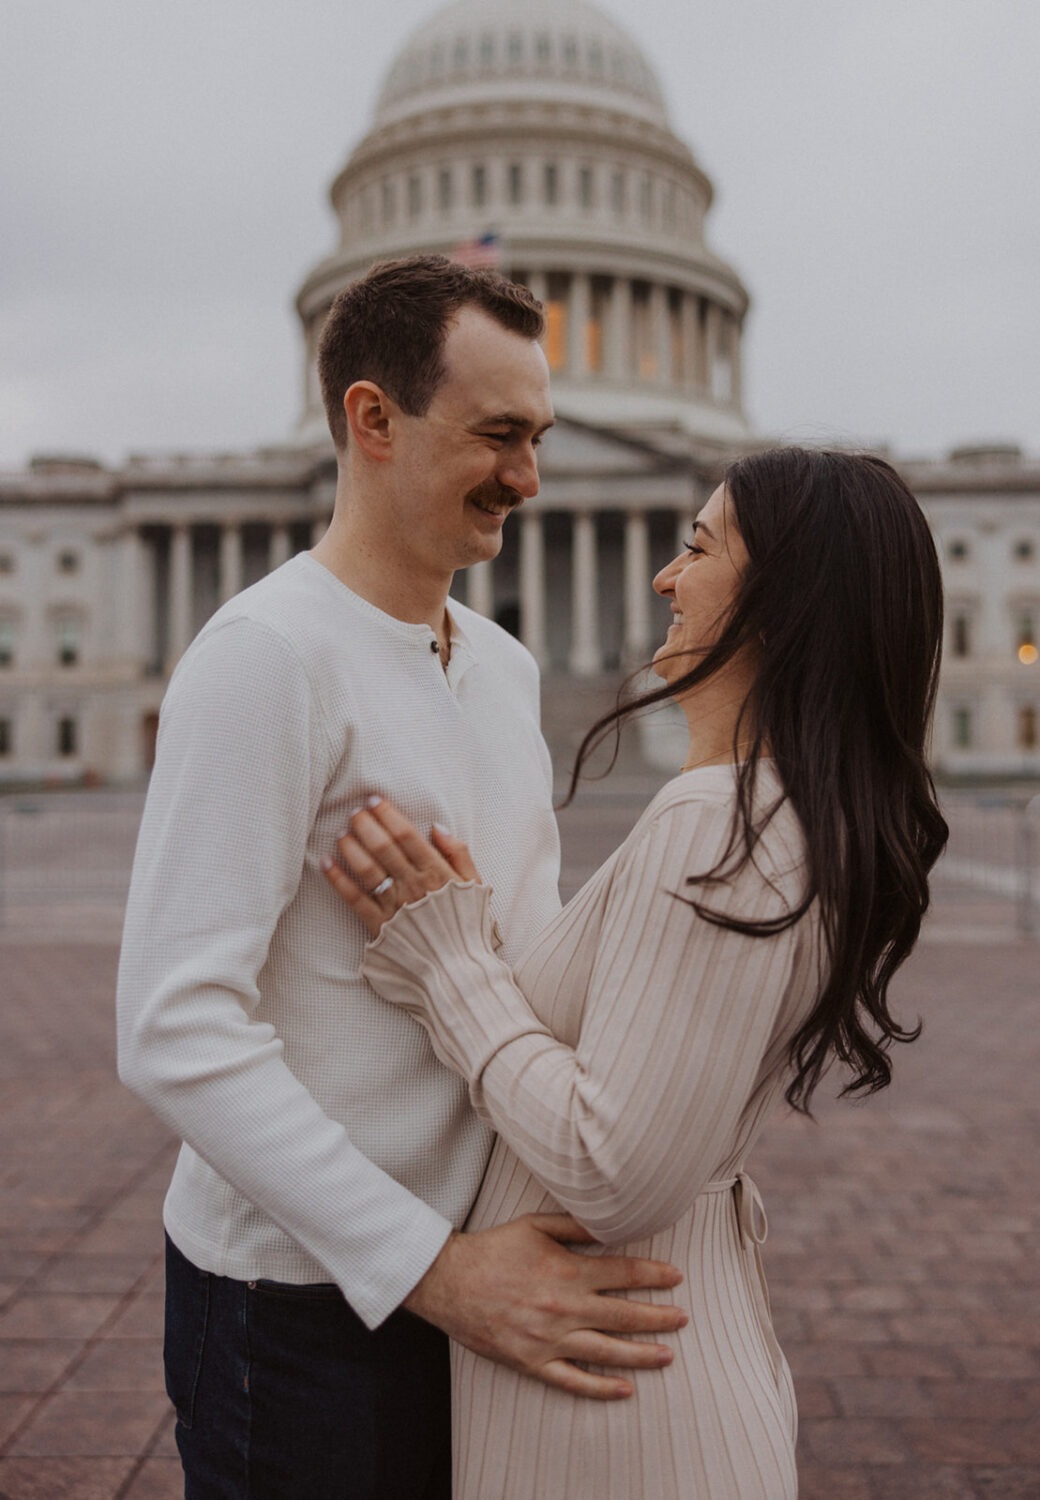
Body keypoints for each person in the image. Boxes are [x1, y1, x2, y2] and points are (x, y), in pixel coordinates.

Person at [116, 255, 686, 1500]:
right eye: (497, 435)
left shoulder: (500, 666)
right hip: (297, 1301)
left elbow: (519, 962)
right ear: (371, 418)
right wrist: (435, 1270)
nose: (530, 478)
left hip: (475, 1272)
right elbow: (172, 1030)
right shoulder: (265, 658)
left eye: (536, 436)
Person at [323, 446, 949, 1500]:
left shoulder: (720, 822)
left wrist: (449, 967)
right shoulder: (779, 813)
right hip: (644, 1360)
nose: (663, 577)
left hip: (622, 1409)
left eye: (696, 547)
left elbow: (614, 1169)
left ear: (782, 598)